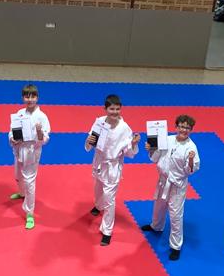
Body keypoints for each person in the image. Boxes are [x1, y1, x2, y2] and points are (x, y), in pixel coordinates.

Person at [140, 114, 201, 260]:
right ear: (176, 127)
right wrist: (150, 148)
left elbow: (190, 170)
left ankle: (175, 246)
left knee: (175, 215)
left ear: (191, 130)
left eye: (187, 128)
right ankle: (156, 226)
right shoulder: (167, 139)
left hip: (177, 185)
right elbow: (155, 158)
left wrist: (190, 159)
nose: (184, 130)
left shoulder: (191, 147)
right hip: (163, 180)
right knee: (158, 206)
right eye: (181, 126)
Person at [85, 94, 139, 245]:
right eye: (111, 109)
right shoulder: (99, 122)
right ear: (105, 109)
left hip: (112, 167)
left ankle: (107, 231)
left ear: (121, 109)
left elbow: (129, 152)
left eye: (117, 109)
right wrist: (89, 141)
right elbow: (90, 142)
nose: (114, 112)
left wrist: (133, 144)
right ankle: (98, 206)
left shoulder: (125, 128)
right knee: (98, 189)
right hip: (99, 163)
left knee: (110, 199)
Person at [9, 83, 51, 229]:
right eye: (27, 97)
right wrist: (12, 138)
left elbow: (45, 139)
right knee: (18, 176)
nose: (30, 99)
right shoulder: (19, 113)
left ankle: (30, 213)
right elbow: (12, 130)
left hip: (32, 151)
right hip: (19, 148)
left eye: (33, 96)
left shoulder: (42, 117)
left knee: (29, 182)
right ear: (23, 98)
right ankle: (21, 193)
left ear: (37, 98)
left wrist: (39, 132)